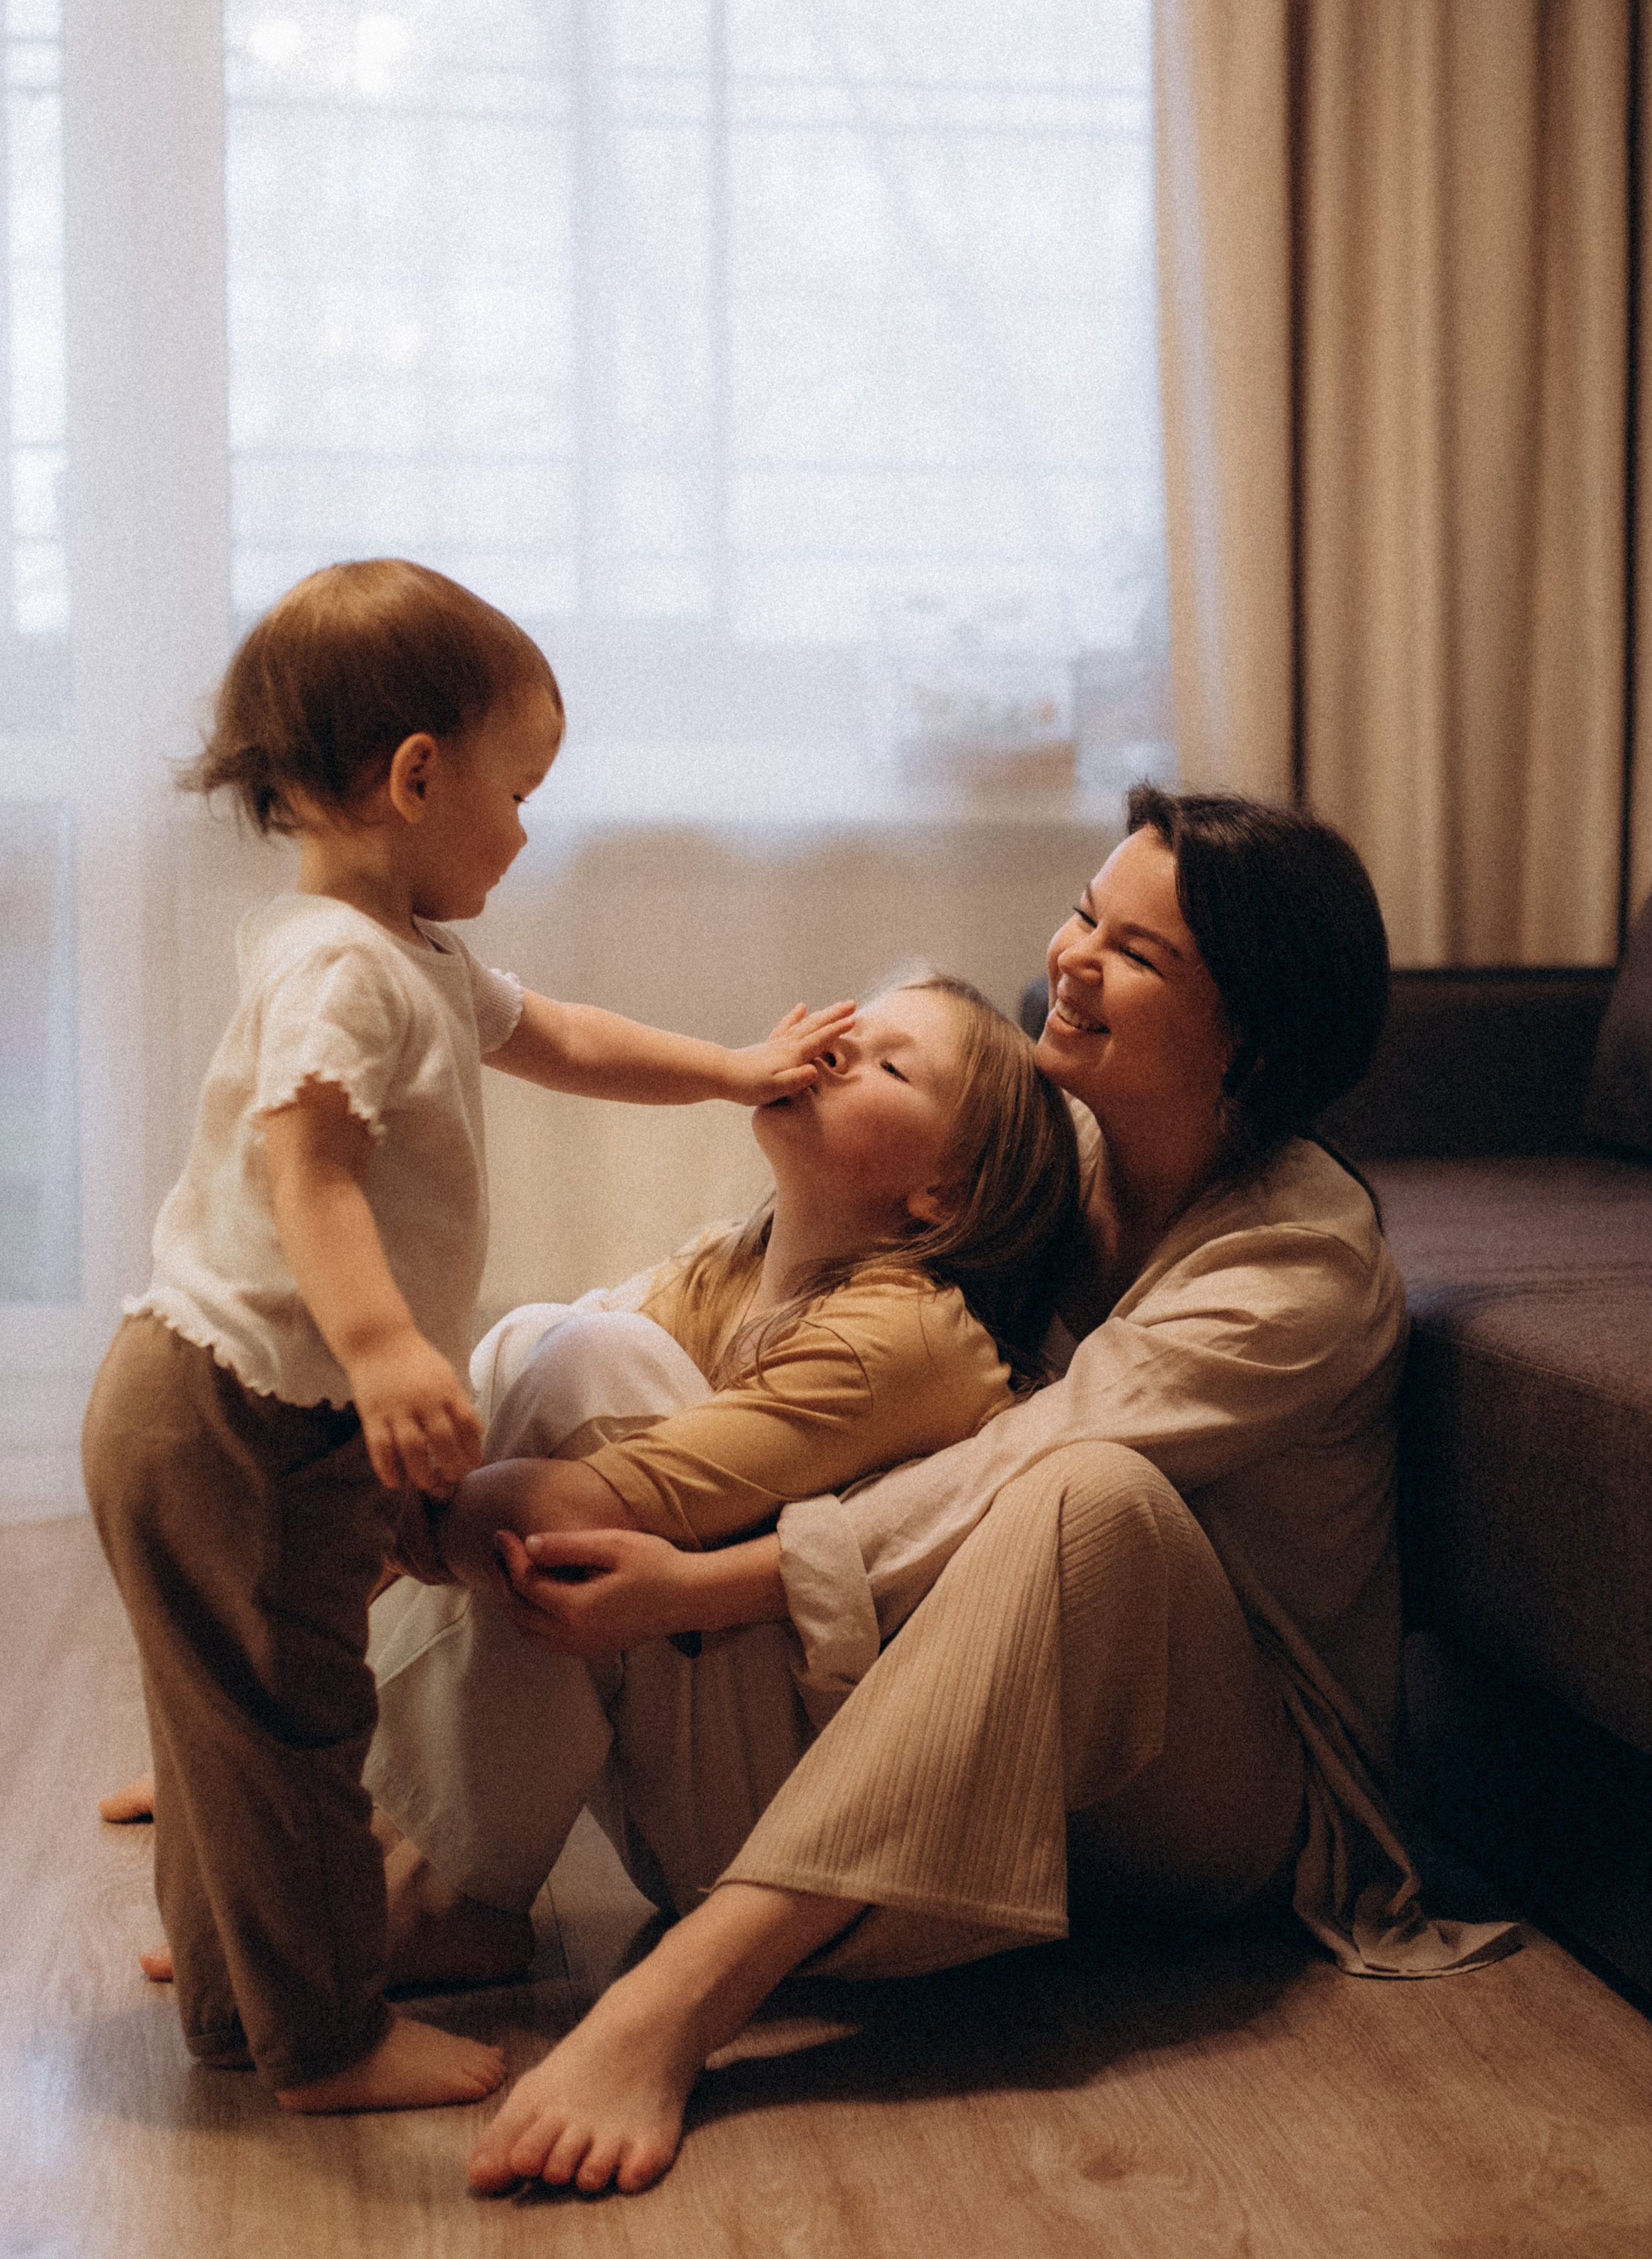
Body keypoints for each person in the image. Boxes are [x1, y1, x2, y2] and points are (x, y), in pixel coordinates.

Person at [360, 785, 1516, 2194]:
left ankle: (682, 2001)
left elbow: (1018, 1470)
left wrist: (706, 1585)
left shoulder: (1299, 1266)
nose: (1073, 956)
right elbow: (735, 1283)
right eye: (1087, 914)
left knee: (1091, 1497)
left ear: (1252, 1044)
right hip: (970, 1690)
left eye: (1139, 954)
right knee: (583, 1348)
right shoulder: (1058, 1157)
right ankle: (421, 1859)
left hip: (1223, 1790)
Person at [80, 557, 854, 2117]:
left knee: (235, 1728)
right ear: (417, 776)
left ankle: (239, 2009)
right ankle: (326, 2039)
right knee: (296, 1728)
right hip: (240, 1408)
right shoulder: (338, 968)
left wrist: (727, 1068)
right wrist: (383, 1347)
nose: (524, 830)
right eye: (518, 793)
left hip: (214, 1401)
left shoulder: (402, 951)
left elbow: (557, 1032)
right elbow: (306, 1168)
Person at [392, 971, 1081, 1592]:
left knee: (593, 1356)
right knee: (543, 1337)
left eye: (891, 1065)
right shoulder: (732, 1262)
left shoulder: (911, 1335)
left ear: (947, 1193)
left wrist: (368, 1514)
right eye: (843, 1031)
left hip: (777, 1676)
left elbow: (572, 1512)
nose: (829, 1051)